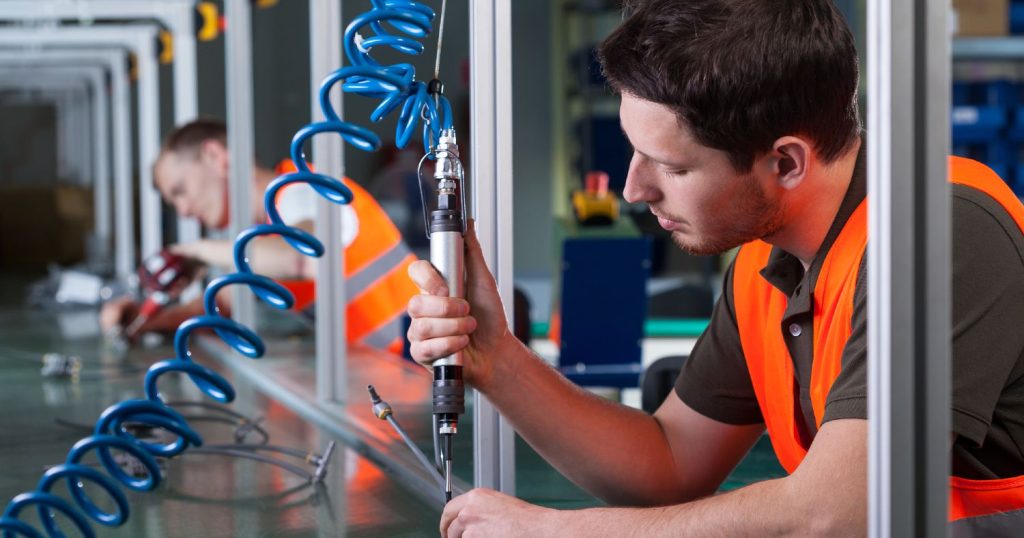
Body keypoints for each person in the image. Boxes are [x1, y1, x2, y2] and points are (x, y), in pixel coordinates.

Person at [405, 1, 1024, 536]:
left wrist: (555, 530)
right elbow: (669, 463)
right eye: (633, 153)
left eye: (671, 167)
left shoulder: (940, 232)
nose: (632, 190)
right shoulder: (767, 263)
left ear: (785, 163)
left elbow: (837, 514)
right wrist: (498, 358)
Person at [100, 119, 419, 353]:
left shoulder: (300, 188)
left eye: (180, 191)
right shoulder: (263, 234)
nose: (182, 211)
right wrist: (144, 320)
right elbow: (223, 306)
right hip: (390, 365)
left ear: (215, 156)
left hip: (417, 353)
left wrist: (195, 250)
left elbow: (300, 258)